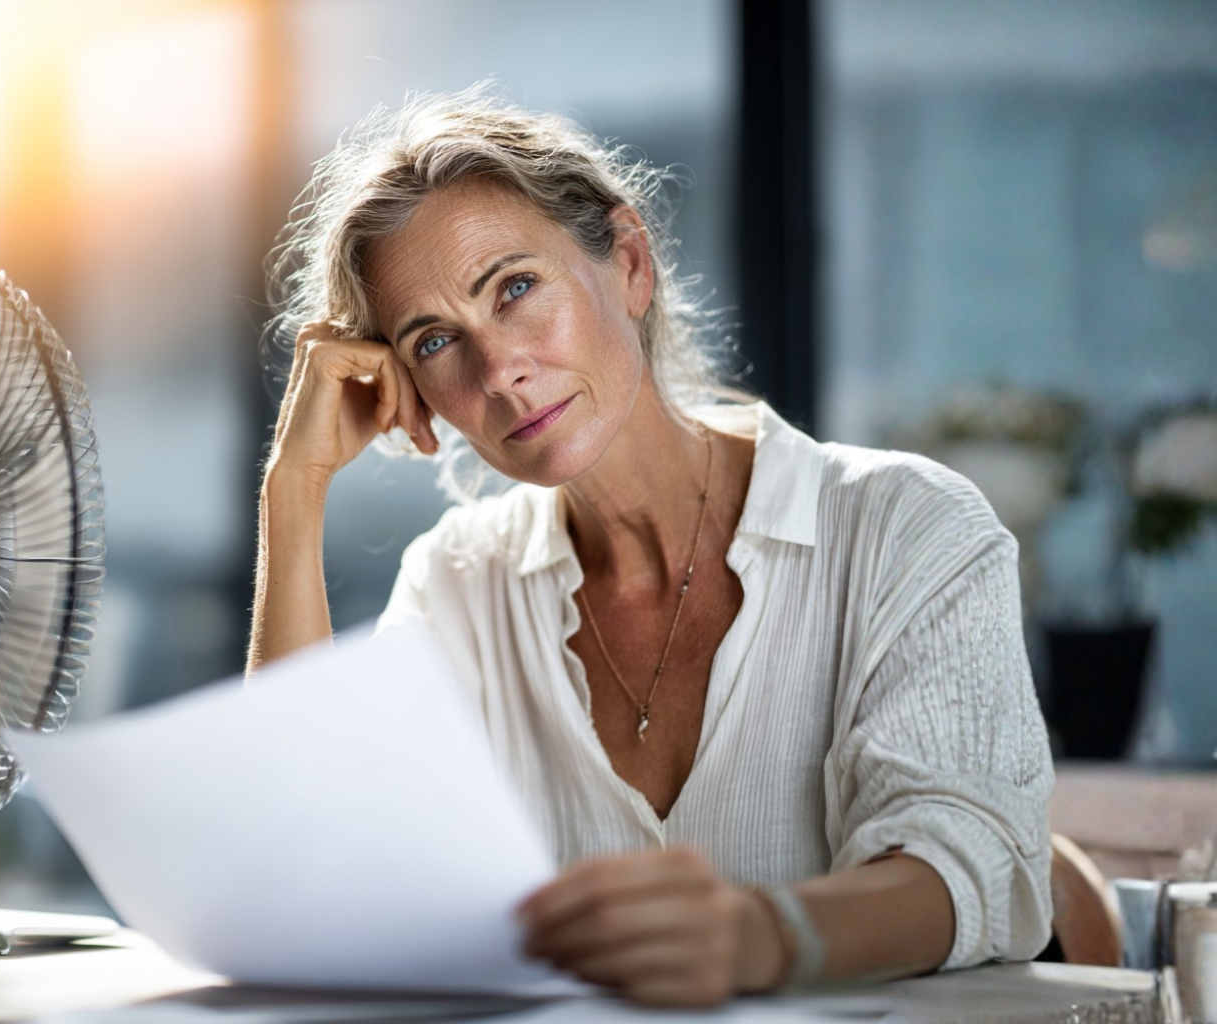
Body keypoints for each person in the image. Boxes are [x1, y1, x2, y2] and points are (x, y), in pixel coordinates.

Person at [247, 88, 1052, 1006]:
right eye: (435, 341)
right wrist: (293, 491)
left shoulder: (906, 527)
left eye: (515, 288)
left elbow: (976, 872)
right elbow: (302, 860)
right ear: (412, 391)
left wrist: (760, 937)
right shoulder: (460, 583)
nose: (498, 369)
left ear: (629, 265)